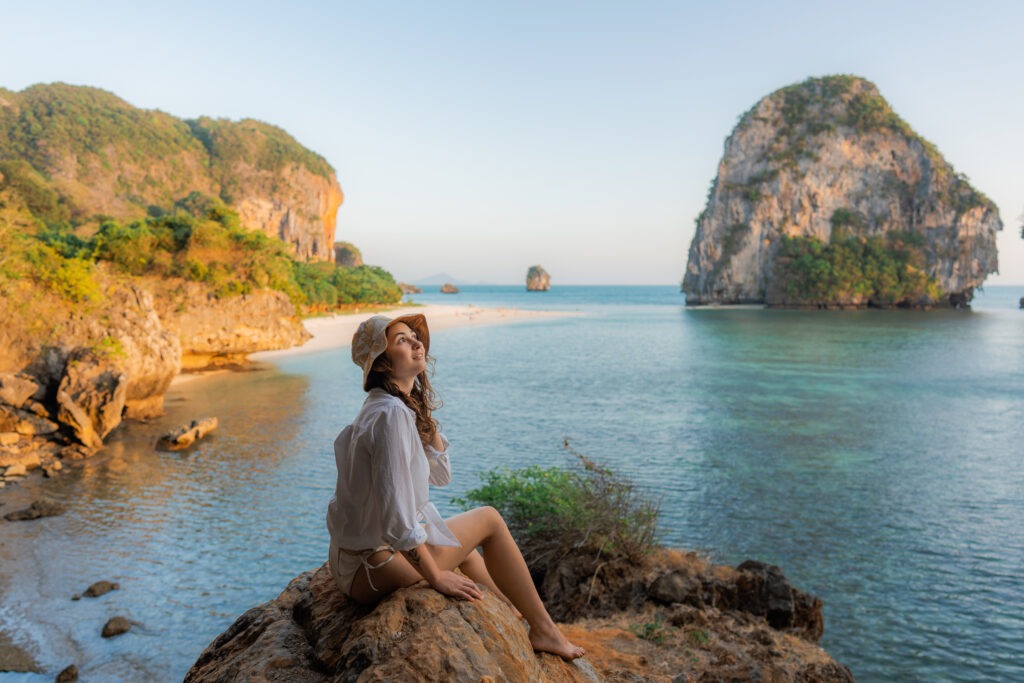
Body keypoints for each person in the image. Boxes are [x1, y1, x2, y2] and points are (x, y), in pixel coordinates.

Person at [326, 313, 584, 661]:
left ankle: (516, 615)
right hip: (371, 567)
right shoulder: (390, 416)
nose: (417, 343)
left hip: (354, 561)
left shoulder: (388, 408)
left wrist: (422, 412)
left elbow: (440, 476)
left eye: (414, 337)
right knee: (489, 519)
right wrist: (436, 577)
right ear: (383, 364)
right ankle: (544, 630)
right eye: (402, 340)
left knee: (470, 554)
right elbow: (396, 521)